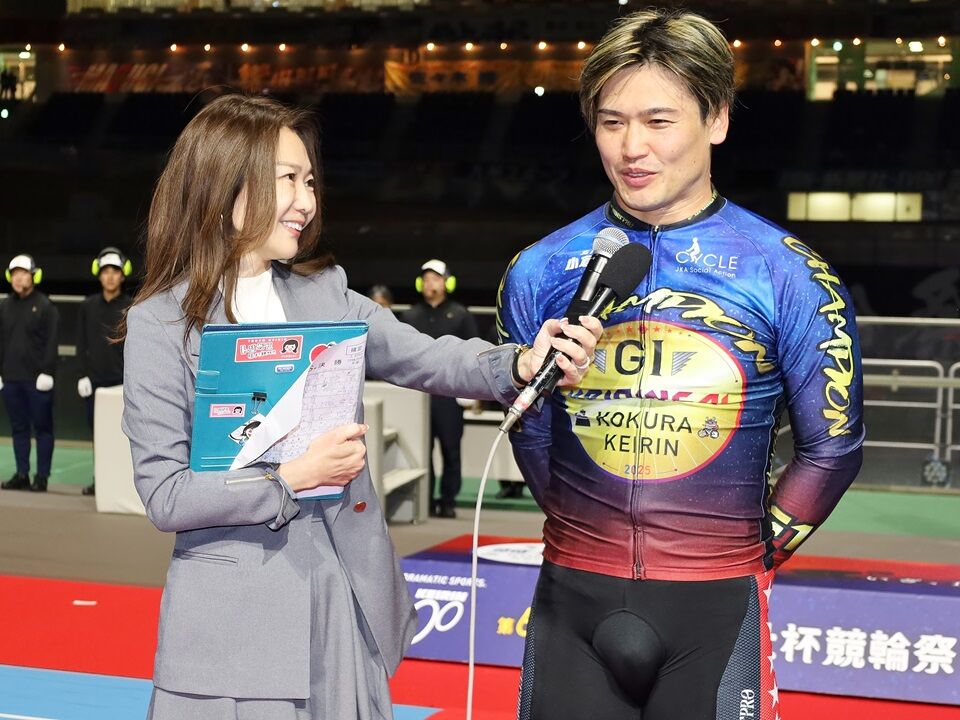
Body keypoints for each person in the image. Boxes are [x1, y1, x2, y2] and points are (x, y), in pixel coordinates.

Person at [119, 93, 600, 720]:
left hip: (340, 598)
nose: (307, 202)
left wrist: (518, 364)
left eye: (310, 181)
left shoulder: (327, 294)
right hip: (233, 625)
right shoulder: (160, 324)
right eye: (287, 180)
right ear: (224, 185)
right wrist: (291, 478)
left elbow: (427, 357)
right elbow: (167, 495)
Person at [496, 9, 864, 720]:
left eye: (658, 121)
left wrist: (747, 553)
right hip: (571, 600)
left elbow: (833, 447)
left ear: (716, 119)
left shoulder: (788, 272)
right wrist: (585, 532)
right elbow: (530, 430)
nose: (631, 147)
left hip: (715, 609)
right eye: (611, 123)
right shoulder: (539, 269)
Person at [402, 259, 478, 519]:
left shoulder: (460, 314)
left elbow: (473, 352)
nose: (430, 284)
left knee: (450, 449)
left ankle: (448, 501)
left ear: (447, 283)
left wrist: (474, 394)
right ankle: (424, 500)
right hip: (418, 395)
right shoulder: (410, 316)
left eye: (435, 278)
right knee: (420, 450)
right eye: (426, 279)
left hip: (449, 393)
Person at [76, 246, 133, 496]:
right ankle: (100, 481)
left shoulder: (131, 307)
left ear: (123, 274)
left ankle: (124, 484)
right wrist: (82, 374)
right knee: (98, 435)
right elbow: (81, 344)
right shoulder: (87, 306)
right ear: (98, 274)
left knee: (125, 436)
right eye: (105, 271)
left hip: (122, 383)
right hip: (95, 382)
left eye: (115, 271)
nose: (110, 276)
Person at [0, 254, 59, 493]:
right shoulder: (4, 306)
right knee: (18, 429)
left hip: (38, 381)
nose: (18, 278)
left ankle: (42, 477)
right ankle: (22, 474)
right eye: (14, 273)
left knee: (43, 429)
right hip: (11, 378)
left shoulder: (45, 305)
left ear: (34, 276)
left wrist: (47, 372)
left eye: (23, 273)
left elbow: (52, 341)